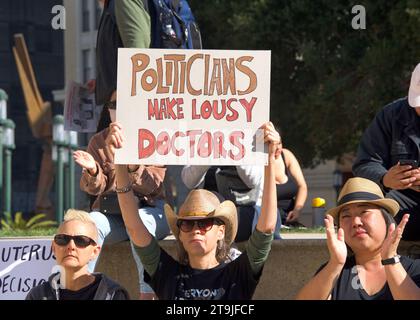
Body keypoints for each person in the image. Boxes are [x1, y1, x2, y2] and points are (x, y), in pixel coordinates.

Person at [112, 122, 280, 300]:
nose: (195, 229)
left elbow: (267, 226)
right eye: (187, 224)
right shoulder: (167, 273)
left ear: (221, 231)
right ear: (180, 235)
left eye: (205, 223)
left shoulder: (238, 273)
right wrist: (120, 161)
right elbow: (134, 227)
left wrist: (269, 159)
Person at [73, 116, 169, 300]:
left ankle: (147, 294)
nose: (118, 107)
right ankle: (79, 291)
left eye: (121, 101)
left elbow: (153, 186)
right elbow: (95, 188)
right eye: (113, 103)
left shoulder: (156, 136)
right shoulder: (99, 140)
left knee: (141, 220)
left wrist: (132, 165)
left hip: (151, 210)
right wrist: (93, 170)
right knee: (88, 224)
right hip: (113, 215)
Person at [296, 177, 420, 300]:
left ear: (386, 219)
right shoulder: (334, 272)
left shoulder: (414, 269)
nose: (355, 222)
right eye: (346, 216)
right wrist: (335, 263)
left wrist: (390, 260)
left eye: (364, 212)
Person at [352, 63, 420, 240]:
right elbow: (365, 162)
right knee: (370, 213)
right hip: (402, 198)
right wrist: (384, 178)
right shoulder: (391, 115)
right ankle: (363, 266)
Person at [26, 209, 129, 300]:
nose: (71, 246)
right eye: (63, 239)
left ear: (95, 251)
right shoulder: (38, 295)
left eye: (81, 240)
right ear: (53, 248)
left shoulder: (111, 295)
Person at [181, 164, 267, 241]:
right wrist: (207, 156)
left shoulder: (252, 148)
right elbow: (189, 182)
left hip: (243, 210)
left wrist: (235, 151)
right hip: (207, 212)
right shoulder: (200, 146)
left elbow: (253, 180)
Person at [274, 130, 307, 227]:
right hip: (271, 219)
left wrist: (297, 209)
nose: (278, 147)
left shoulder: (286, 155)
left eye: (279, 143)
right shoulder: (259, 163)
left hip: (290, 219)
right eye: (273, 144)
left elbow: (302, 186)